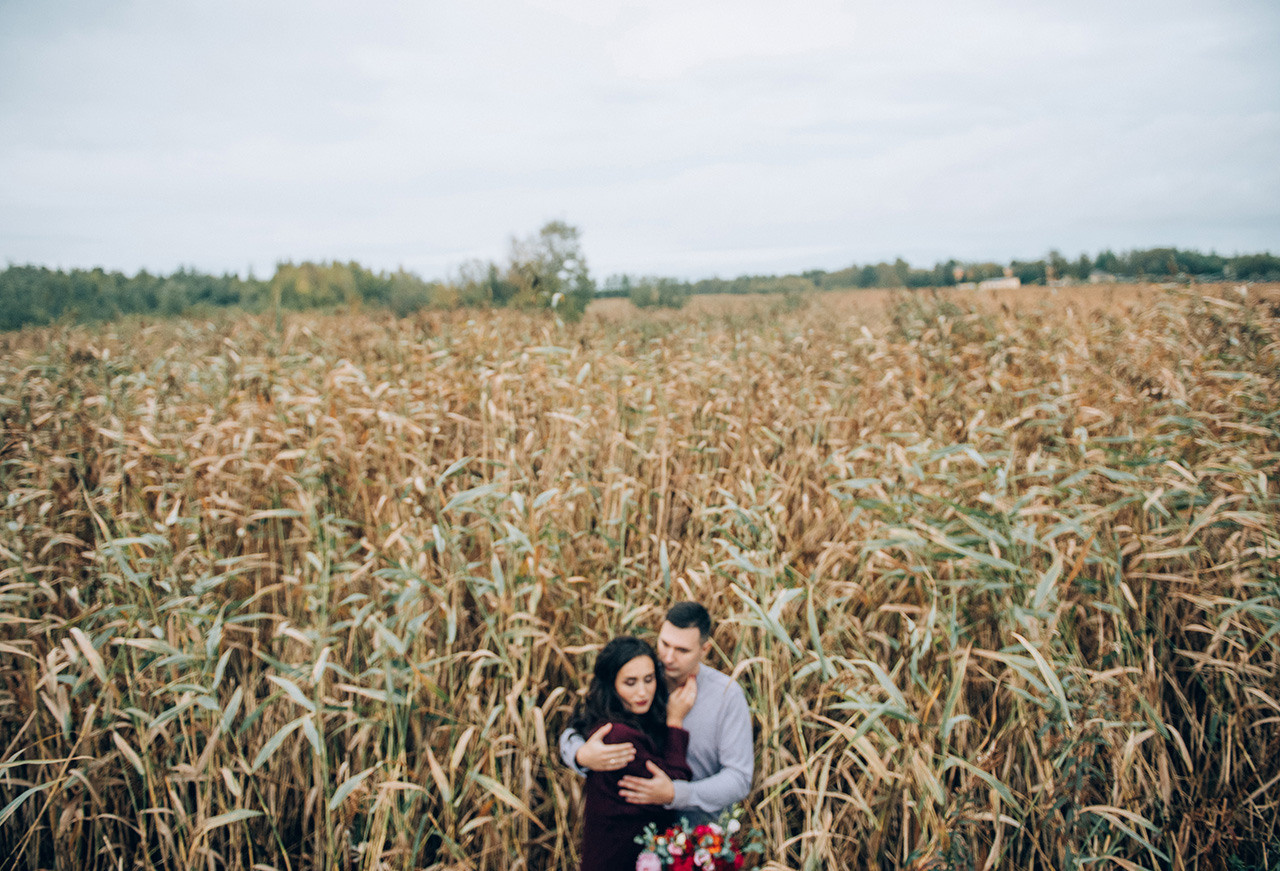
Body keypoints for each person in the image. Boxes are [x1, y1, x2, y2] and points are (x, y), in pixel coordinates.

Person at [560, 602, 753, 826]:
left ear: (705, 650)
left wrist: (676, 794)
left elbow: (739, 779)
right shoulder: (641, 679)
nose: (668, 658)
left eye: (682, 650)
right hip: (634, 836)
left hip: (701, 838)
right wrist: (581, 755)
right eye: (664, 644)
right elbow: (577, 728)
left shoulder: (727, 696)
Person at [569, 635, 698, 871]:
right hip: (617, 860)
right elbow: (673, 784)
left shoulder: (627, 720)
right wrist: (676, 723)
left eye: (649, 680)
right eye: (630, 683)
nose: (643, 692)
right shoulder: (617, 737)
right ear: (612, 685)